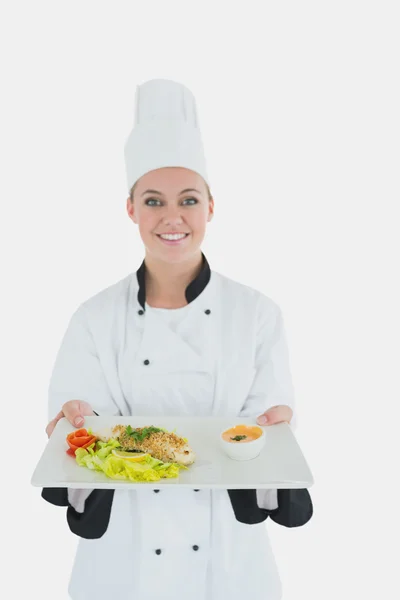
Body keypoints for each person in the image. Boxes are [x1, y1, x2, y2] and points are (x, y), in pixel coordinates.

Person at [42, 78, 312, 600]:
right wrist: (72, 428)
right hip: (123, 559)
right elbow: (78, 441)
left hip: (229, 559)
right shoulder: (94, 318)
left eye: (188, 199)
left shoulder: (256, 314)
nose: (172, 217)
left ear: (211, 206)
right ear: (131, 210)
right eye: (153, 200)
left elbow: (265, 432)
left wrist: (277, 432)